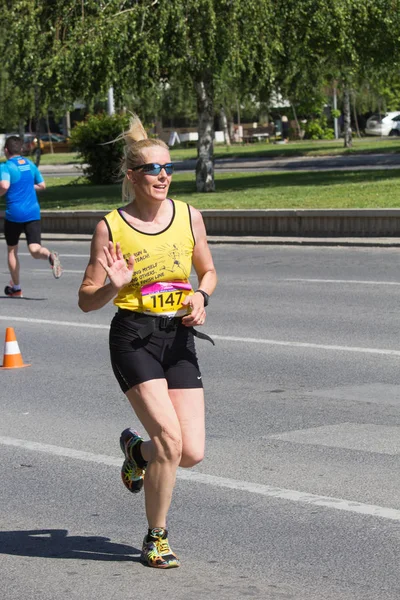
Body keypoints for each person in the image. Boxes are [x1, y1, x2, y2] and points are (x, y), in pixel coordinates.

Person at [78, 114, 217, 569]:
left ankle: (135, 451)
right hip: (134, 338)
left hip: (178, 336)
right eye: (153, 169)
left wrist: (201, 295)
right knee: (171, 441)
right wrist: (112, 286)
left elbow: (209, 271)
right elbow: (85, 300)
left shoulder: (188, 216)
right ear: (132, 176)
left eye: (168, 168)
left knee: (191, 452)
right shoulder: (111, 227)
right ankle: (156, 537)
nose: (163, 176)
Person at [0, 135, 63, 297]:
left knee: (12, 251)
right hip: (33, 213)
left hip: (14, 214)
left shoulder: (6, 166)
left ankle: (16, 288)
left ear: (6, 150)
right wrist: (27, 187)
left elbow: (4, 185)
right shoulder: (29, 164)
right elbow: (42, 185)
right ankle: (49, 255)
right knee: (35, 249)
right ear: (21, 149)